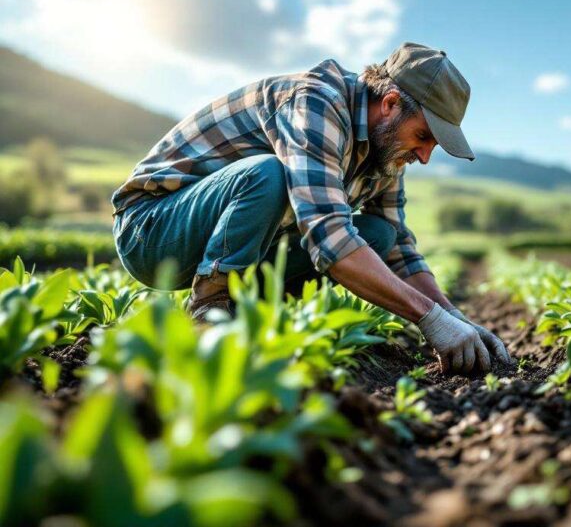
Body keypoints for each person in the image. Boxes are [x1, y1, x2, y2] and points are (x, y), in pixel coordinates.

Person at [110, 42, 510, 374]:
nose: (424, 156)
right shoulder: (317, 104)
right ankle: (208, 311)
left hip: (224, 241)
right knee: (267, 174)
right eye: (422, 136)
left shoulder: (386, 151)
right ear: (389, 103)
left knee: (380, 234)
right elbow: (331, 240)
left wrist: (454, 317)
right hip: (152, 230)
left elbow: (398, 249)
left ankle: (255, 315)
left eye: (432, 147)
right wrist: (428, 318)